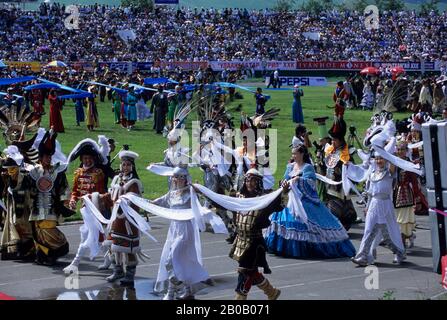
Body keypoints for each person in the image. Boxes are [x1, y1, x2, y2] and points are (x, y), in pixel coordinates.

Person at [265, 144, 356, 258]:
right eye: (292, 153)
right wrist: (283, 183)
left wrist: (299, 180)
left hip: (304, 200)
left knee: (306, 222)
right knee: (280, 217)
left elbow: (311, 183)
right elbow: (285, 179)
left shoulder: (307, 167)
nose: (293, 155)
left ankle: (305, 247)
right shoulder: (290, 166)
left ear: (302, 154)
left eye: (295, 153)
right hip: (290, 200)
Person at [152, 166, 210, 300]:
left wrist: (196, 189)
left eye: (179, 177)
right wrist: (142, 203)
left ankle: (171, 293)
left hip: (185, 230)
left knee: (170, 260)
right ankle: (189, 290)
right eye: (174, 177)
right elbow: (158, 202)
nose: (176, 179)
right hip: (174, 230)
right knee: (182, 261)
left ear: (185, 179)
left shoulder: (190, 194)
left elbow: (200, 204)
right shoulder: (171, 194)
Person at [228, 168, 284, 300]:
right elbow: (221, 201)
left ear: (258, 182)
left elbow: (276, 204)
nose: (249, 183)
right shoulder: (238, 197)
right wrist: (201, 191)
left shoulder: (262, 200)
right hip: (240, 239)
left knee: (245, 272)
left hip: (254, 242)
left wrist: (284, 191)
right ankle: (271, 292)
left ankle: (240, 298)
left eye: (253, 180)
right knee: (251, 272)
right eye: (247, 180)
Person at [352, 154, 406, 266]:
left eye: (381, 158)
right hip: (373, 204)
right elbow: (371, 193)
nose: (378, 161)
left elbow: (392, 163)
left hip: (386, 204)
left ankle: (399, 253)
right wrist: (367, 206)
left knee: (391, 230)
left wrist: (388, 152)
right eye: (376, 158)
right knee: (368, 229)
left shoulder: (389, 172)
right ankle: (364, 255)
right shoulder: (372, 174)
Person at [28, 130, 73, 265]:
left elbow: (64, 187)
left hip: (51, 208)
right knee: (38, 232)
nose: (48, 159)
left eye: (50, 156)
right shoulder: (33, 171)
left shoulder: (57, 172)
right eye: (46, 156)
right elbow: (26, 186)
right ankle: (43, 256)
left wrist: (66, 200)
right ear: (40, 157)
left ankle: (53, 253)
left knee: (49, 231)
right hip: (36, 208)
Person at [105, 150, 144, 286]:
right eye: (123, 164)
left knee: (129, 249)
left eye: (128, 165)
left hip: (128, 222)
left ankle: (129, 275)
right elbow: (111, 197)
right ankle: (118, 271)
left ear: (132, 166)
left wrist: (124, 203)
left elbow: (135, 201)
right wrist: (97, 198)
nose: (125, 167)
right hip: (115, 220)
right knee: (113, 247)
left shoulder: (134, 182)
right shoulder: (116, 179)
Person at [0, 146, 34, 261]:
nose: (10, 173)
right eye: (8, 170)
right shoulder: (7, 178)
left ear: (18, 168)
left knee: (26, 228)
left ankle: (29, 250)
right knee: (13, 225)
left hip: (25, 208)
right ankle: (15, 250)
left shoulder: (26, 178)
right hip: (12, 207)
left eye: (13, 169)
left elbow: (30, 194)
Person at [393, 141, 417, 248]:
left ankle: (405, 238)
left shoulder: (409, 163)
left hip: (407, 194)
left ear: (406, 151)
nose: (400, 151)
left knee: (405, 220)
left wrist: (417, 197)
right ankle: (407, 237)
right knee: (399, 219)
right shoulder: (394, 162)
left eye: (402, 149)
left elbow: (414, 181)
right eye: (398, 149)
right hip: (396, 193)